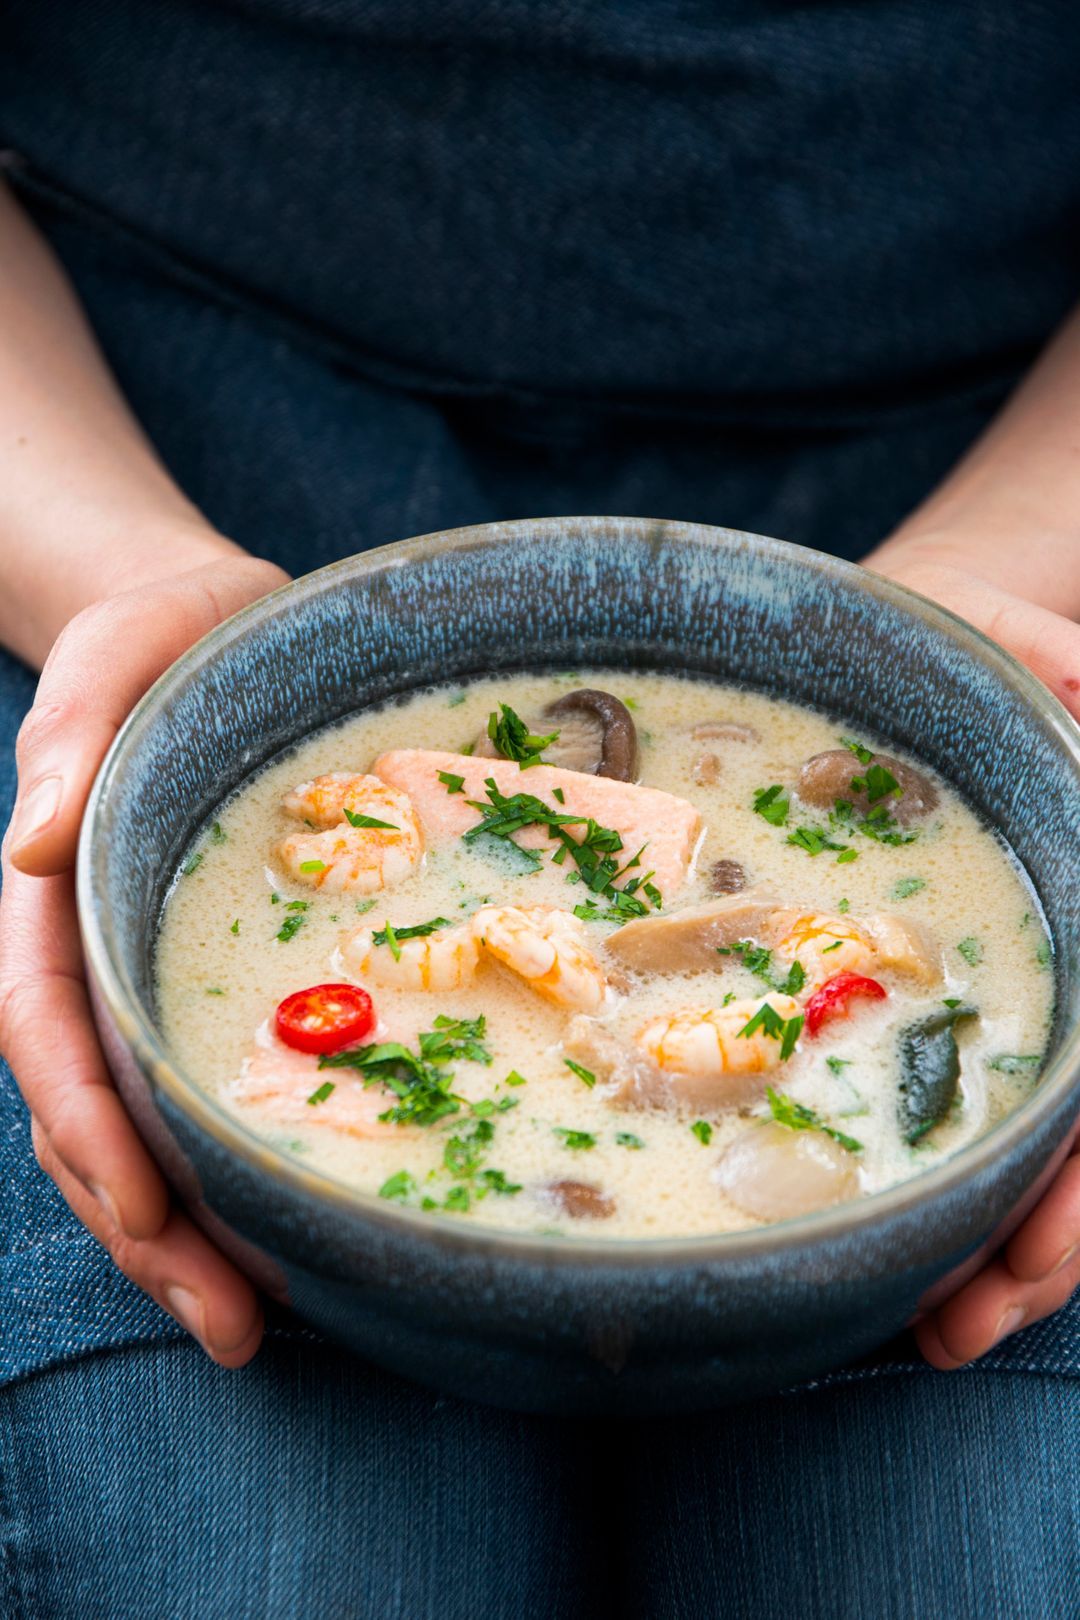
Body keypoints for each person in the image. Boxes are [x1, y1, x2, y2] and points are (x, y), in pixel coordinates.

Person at [0, 5, 1077, 1615]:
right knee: (252, 1572)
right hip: (112, 445)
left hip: (1006, 471)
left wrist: (996, 605)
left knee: (958, 1570)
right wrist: (129, 587)